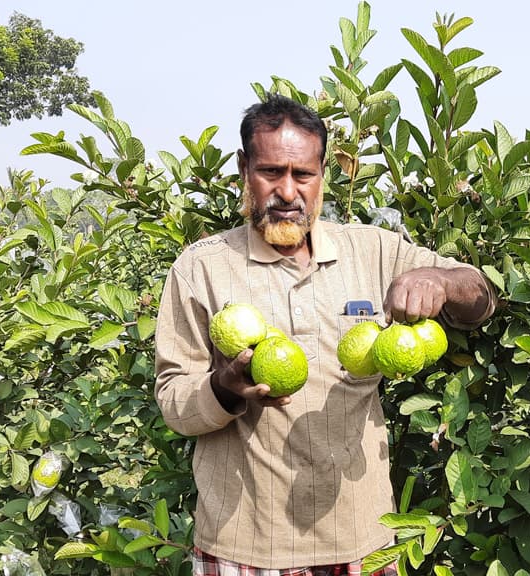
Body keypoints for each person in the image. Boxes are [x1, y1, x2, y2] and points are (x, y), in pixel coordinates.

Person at [154, 93, 495, 576]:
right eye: (271, 172)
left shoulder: (373, 250)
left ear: (323, 176)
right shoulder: (201, 268)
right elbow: (172, 400)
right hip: (245, 545)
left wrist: (440, 282)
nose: (287, 192)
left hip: (361, 537)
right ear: (243, 168)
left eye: (303, 175)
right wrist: (225, 388)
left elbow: (480, 297)